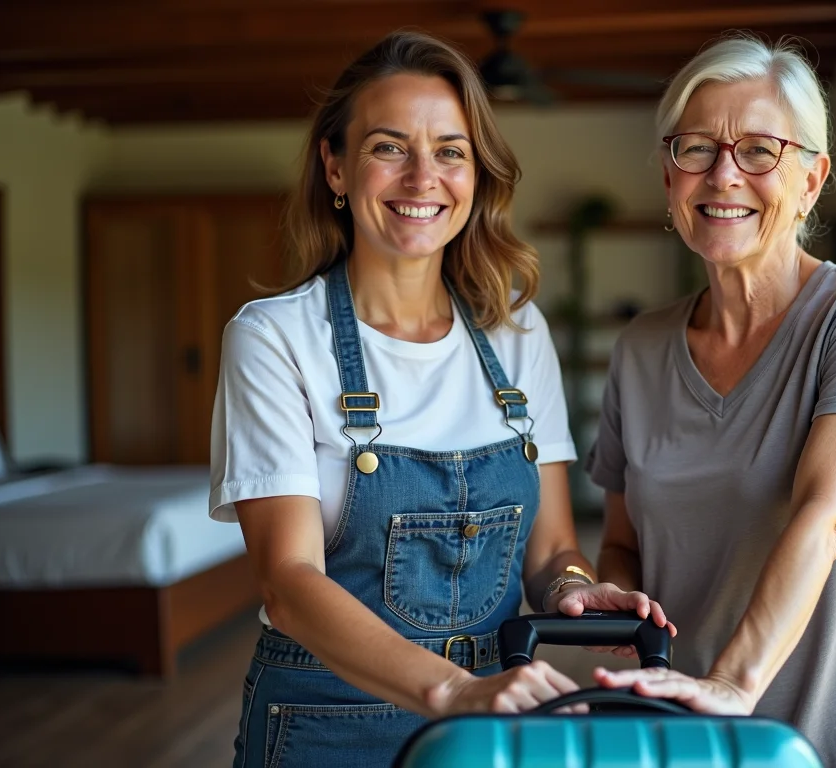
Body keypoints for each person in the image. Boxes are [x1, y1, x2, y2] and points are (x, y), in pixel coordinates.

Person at [208, 30, 671, 768]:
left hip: (489, 712)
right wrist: (451, 691)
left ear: (477, 175)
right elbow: (289, 583)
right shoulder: (274, 338)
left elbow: (551, 549)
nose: (423, 177)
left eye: (451, 151)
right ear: (335, 166)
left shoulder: (517, 333)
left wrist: (577, 589)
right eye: (389, 147)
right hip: (326, 720)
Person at [587, 35, 836, 767]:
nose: (723, 175)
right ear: (669, 176)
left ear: (812, 179)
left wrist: (732, 684)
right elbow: (622, 545)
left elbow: (828, 516)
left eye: (760, 151)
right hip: (684, 743)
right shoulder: (640, 350)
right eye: (697, 149)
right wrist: (616, 601)